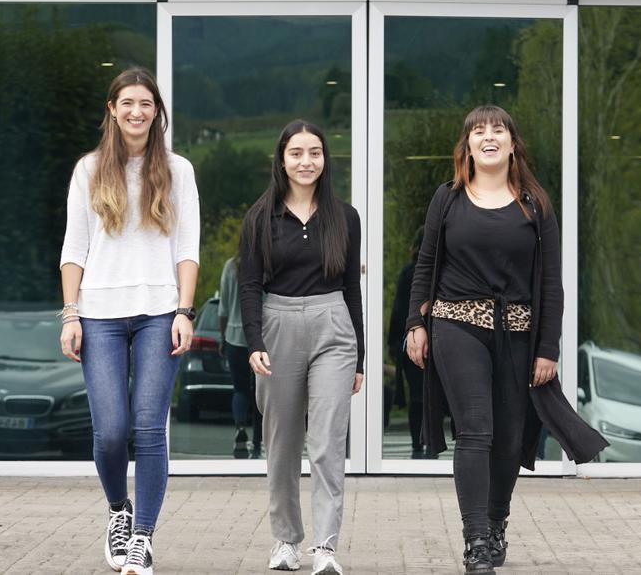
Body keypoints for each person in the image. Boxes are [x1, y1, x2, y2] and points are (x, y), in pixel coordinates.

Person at [405, 105, 608, 574]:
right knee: (475, 429)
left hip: (518, 332)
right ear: (468, 146)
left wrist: (548, 348)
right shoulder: (448, 198)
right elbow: (425, 263)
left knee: (509, 436)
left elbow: (552, 283)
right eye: (480, 131)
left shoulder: (535, 203)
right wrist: (416, 325)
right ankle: (476, 539)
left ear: (513, 144)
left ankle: (496, 522)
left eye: (498, 130)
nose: (489, 137)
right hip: (456, 324)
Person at [59, 67, 200, 575]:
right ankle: (119, 510)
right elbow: (74, 248)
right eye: (128, 103)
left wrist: (184, 310)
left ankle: (141, 536)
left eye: (146, 103)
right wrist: (70, 313)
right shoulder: (89, 169)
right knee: (111, 432)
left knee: (148, 429)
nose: (137, 112)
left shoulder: (178, 170)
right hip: (97, 314)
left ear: (156, 112)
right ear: (112, 111)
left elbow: (187, 248)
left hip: (160, 312)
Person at [240, 119, 364, 575]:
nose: (306, 161)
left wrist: (360, 357)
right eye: (296, 153)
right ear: (282, 159)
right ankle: (286, 541)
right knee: (283, 442)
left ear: (325, 159)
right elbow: (249, 285)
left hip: (334, 325)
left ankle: (326, 547)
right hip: (277, 324)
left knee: (328, 441)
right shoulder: (259, 218)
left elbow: (353, 290)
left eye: (314, 152)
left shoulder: (344, 217)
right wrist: (255, 341)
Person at [219, 255, 262, 459]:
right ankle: (258, 440)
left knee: (240, 389)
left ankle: (239, 428)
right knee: (261, 391)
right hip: (261, 337)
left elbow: (223, 307)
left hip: (234, 336)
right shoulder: (264, 264)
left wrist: (222, 337)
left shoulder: (231, 266)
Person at [388, 228, 426, 458]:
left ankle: (416, 445)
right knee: (434, 396)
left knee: (416, 395)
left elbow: (399, 309)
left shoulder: (408, 273)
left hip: (411, 340)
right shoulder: (441, 272)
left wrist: (393, 342)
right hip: (439, 340)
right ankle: (431, 444)